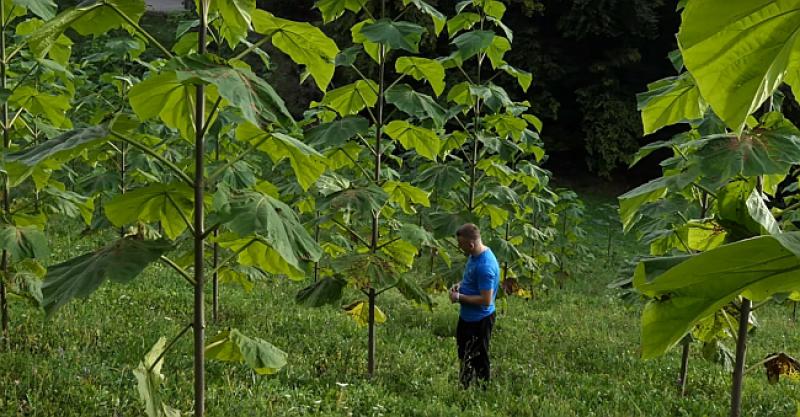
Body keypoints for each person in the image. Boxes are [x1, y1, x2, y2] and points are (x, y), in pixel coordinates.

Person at [449, 223, 500, 388]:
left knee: (479, 356)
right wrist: (460, 285)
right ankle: (464, 385)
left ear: (470, 244)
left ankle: (483, 389)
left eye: (461, 244)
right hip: (467, 317)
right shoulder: (474, 255)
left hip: (480, 320)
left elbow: (486, 300)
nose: (459, 247)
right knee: (464, 353)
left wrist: (459, 297)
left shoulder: (485, 266)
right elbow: (472, 279)